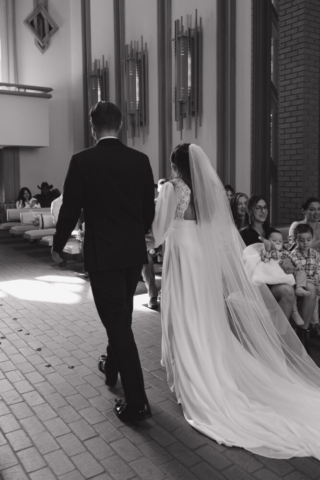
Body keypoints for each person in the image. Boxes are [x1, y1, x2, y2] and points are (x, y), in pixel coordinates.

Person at [151, 143, 320, 461]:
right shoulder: (202, 192)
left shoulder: (171, 188)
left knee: (179, 313)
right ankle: (208, 364)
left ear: (176, 165)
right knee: (199, 312)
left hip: (179, 253)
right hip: (198, 255)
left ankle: (190, 371)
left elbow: (158, 231)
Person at [52, 101, 155, 422]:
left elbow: (70, 208)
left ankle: (137, 402)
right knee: (120, 315)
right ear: (121, 125)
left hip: (103, 255)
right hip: (131, 254)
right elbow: (147, 210)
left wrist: (58, 245)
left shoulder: (82, 161)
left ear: (93, 127)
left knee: (119, 324)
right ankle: (111, 368)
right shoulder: (140, 160)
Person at [241, 195, 295, 320]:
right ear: (250, 211)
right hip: (259, 281)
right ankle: (279, 337)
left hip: (276, 275)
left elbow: (284, 253)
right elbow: (245, 260)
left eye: (265, 208)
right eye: (258, 208)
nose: (263, 211)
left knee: (302, 285)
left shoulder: (272, 231)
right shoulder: (244, 234)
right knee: (288, 291)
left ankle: (284, 335)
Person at [288, 197, 320, 339]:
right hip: (301, 270)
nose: (316, 212)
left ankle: (310, 327)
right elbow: (293, 248)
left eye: (318, 209)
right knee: (311, 287)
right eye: (312, 209)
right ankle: (309, 328)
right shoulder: (297, 226)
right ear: (304, 211)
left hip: (315, 267)